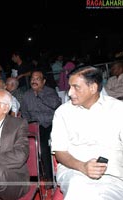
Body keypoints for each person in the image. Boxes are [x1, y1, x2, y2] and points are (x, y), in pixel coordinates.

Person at [50, 65, 123, 199]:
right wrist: (82, 166)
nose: (70, 93)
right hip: (74, 172)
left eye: (76, 87)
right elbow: (60, 152)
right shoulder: (63, 113)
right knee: (79, 189)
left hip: (113, 176)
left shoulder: (118, 109)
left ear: (93, 88)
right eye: (69, 87)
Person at [20, 69, 61, 187]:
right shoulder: (27, 95)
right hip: (35, 125)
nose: (34, 81)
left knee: (45, 145)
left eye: (37, 79)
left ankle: (50, 176)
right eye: (32, 79)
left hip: (50, 124)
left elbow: (55, 104)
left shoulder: (50, 92)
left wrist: (40, 93)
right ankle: (35, 175)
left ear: (43, 81)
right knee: (30, 144)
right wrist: (29, 125)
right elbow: (24, 113)